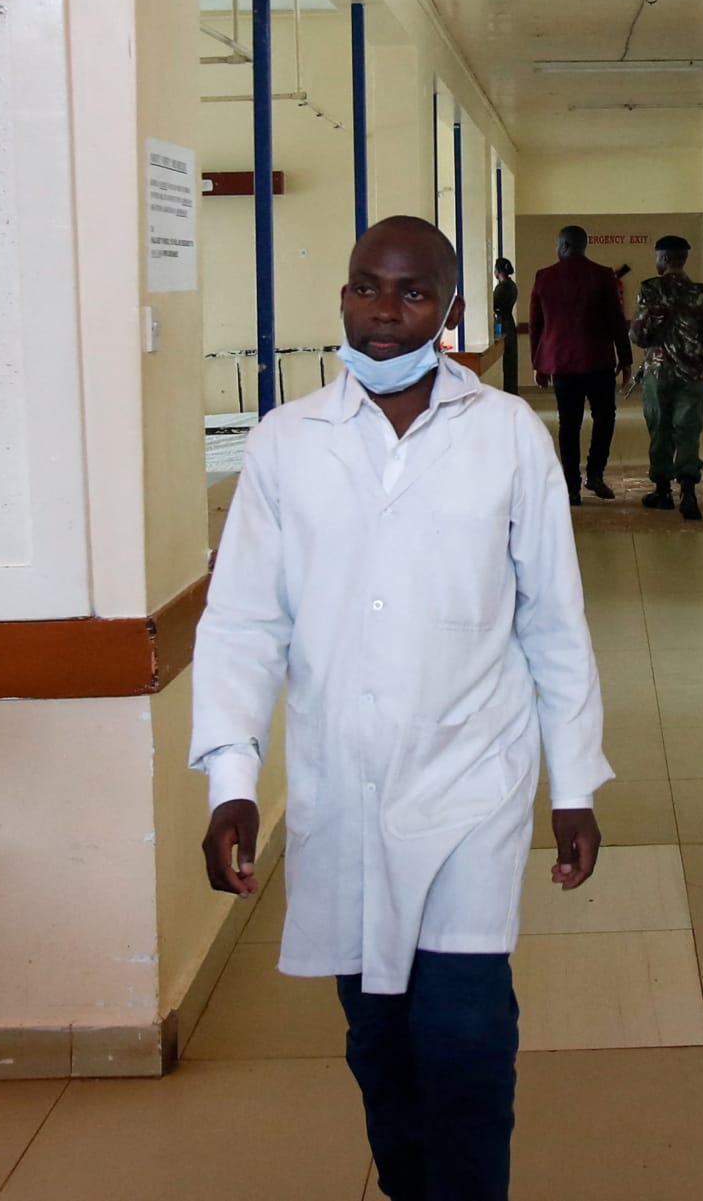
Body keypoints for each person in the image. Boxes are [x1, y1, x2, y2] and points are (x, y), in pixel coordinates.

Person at [193, 216, 610, 1201]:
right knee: (379, 1044)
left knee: (463, 1038)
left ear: (450, 309)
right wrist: (230, 780)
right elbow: (245, 622)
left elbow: (552, 618)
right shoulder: (286, 444)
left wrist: (574, 781)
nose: (384, 312)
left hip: (474, 775)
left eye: (412, 292)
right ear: (342, 295)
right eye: (365, 288)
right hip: (343, 782)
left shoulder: (507, 435)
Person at [527, 225, 631, 505]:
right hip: (599, 362)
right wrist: (626, 358)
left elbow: (536, 325)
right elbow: (616, 320)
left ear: (562, 245)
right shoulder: (603, 276)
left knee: (568, 425)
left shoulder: (544, 277)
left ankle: (571, 486)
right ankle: (595, 474)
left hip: (562, 365)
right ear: (583, 246)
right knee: (605, 418)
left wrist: (538, 364)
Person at [629, 235, 703, 522]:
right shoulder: (701, 293)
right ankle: (688, 492)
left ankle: (661, 491)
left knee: (660, 429)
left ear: (664, 259)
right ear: (683, 259)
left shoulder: (650, 289)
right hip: (693, 374)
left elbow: (638, 335)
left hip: (658, 373)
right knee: (687, 430)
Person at [489, 258, 519, 393]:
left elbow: (493, 305)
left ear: (498, 271)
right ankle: (512, 391)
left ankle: (509, 392)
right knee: (511, 361)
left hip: (503, 324)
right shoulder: (512, 285)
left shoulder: (502, 288)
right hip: (510, 324)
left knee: (507, 363)